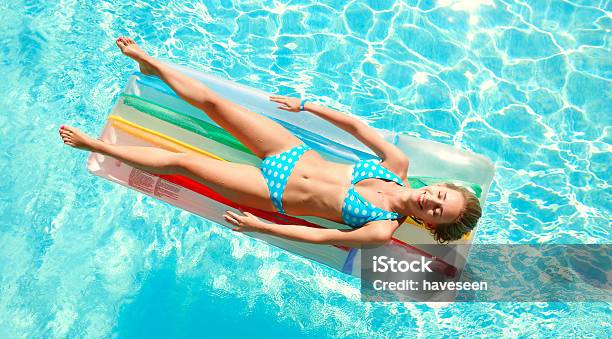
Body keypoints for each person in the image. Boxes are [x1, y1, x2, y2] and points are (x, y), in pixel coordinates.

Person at [59, 37, 481, 247]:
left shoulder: (380, 230)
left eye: (439, 211)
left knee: (182, 163)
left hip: (272, 193)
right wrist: (306, 106)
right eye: (442, 194)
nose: (433, 200)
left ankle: (98, 146)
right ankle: (152, 64)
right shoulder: (397, 164)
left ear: (431, 224)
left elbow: (319, 238)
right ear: (438, 184)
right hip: (290, 152)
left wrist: (262, 226)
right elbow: (357, 128)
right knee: (213, 102)